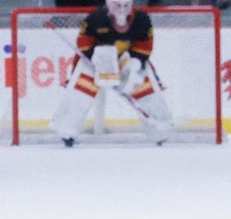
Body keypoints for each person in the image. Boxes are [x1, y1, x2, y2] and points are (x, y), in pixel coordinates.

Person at [50, 0, 174, 146]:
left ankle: (160, 128)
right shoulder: (95, 19)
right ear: (109, 4)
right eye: (117, 5)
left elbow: (144, 47)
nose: (121, 10)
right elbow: (83, 44)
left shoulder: (142, 20)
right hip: (95, 63)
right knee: (82, 89)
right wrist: (97, 59)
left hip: (127, 61)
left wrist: (134, 64)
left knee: (143, 85)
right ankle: (66, 128)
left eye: (125, 5)